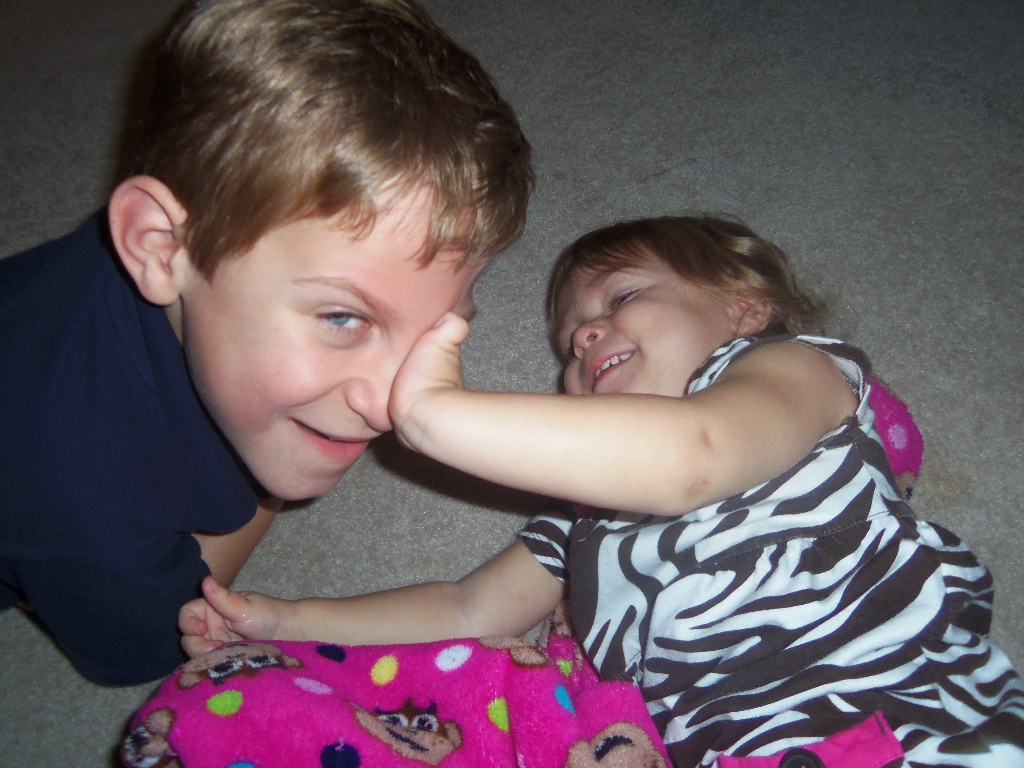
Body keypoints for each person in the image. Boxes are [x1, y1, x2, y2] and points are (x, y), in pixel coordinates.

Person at [179, 215, 1024, 766]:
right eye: (569, 342)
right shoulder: (585, 517)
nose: (585, 335)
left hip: (906, 721)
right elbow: (470, 608)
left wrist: (440, 416)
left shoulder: (788, 371)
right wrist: (291, 620)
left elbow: (696, 454)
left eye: (622, 297)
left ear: (743, 308)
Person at [0, 0, 532, 686]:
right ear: (159, 247)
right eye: (342, 318)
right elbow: (156, 645)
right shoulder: (87, 491)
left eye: (440, 326)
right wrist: (266, 493)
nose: (395, 403)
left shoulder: (156, 252)